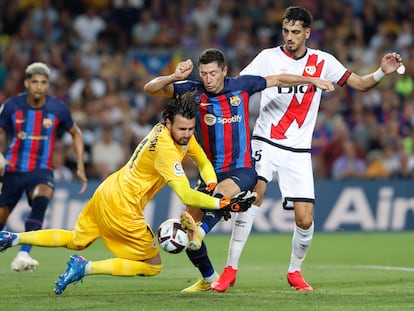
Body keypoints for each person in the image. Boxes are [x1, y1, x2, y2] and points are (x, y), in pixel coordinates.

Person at [0, 91, 255, 295]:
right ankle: (85, 267)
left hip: (108, 190)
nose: (187, 135)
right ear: (168, 124)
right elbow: (187, 197)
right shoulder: (166, 150)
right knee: (153, 267)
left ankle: (14, 238)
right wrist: (221, 202)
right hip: (123, 205)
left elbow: (202, 161)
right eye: (182, 130)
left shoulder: (174, 133)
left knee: (77, 238)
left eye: (190, 129)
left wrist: (211, 186)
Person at [228, 6, 404, 291]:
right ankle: (230, 269)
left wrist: (381, 73)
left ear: (307, 33)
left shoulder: (324, 61)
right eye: (286, 31)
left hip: (298, 151)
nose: (289, 37)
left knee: (305, 218)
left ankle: (294, 272)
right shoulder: (267, 58)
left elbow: (359, 84)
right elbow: (240, 85)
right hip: (265, 140)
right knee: (253, 195)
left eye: (295, 32)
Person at [143, 48, 334, 292]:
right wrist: (173, 77)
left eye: (213, 73)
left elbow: (280, 79)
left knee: (204, 217)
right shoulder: (193, 90)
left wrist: (312, 80)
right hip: (210, 175)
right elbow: (150, 88)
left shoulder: (242, 86)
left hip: (241, 170)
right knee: (189, 231)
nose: (208, 79)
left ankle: (202, 230)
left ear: (224, 71)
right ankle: (209, 278)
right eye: (204, 74)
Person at [0, 62, 88, 272]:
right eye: (35, 82)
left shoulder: (58, 108)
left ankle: (23, 255)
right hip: (13, 169)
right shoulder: (12, 106)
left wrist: (80, 166)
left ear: (48, 85)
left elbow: (76, 133)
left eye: (43, 82)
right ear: (27, 83)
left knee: (42, 198)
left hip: (41, 169)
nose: (39, 86)